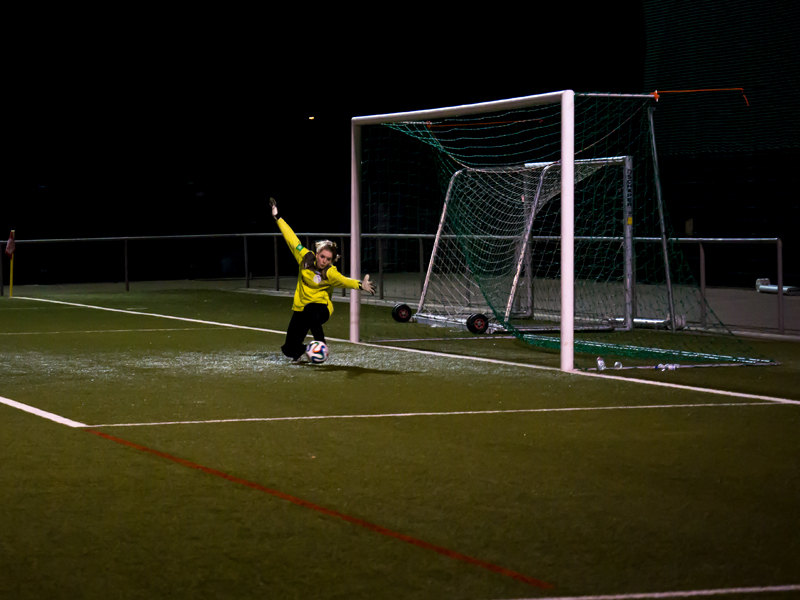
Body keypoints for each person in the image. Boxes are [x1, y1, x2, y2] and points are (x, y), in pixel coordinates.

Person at [270, 198, 376, 362]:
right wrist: (278, 218)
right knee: (289, 349)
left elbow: (344, 281)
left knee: (311, 309)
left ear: (332, 260)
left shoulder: (330, 272)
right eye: (322, 256)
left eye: (328, 259)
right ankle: (307, 350)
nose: (324, 260)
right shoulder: (304, 257)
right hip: (301, 309)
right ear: (317, 253)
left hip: (321, 310)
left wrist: (360, 285)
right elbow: (291, 238)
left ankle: (321, 344)